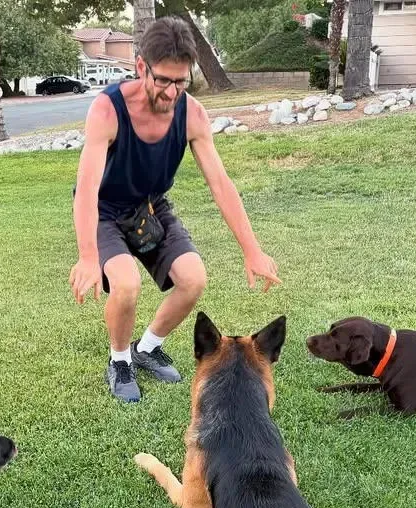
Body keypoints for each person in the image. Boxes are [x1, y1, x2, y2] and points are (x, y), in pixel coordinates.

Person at [69, 16, 281, 403]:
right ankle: (119, 361)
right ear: (141, 68)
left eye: (180, 82)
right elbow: (85, 189)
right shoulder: (107, 110)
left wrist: (252, 249)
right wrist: (87, 256)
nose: (170, 91)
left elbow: (220, 183)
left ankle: (146, 348)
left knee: (193, 278)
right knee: (127, 284)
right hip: (105, 210)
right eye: (162, 80)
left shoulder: (193, 115)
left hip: (150, 206)